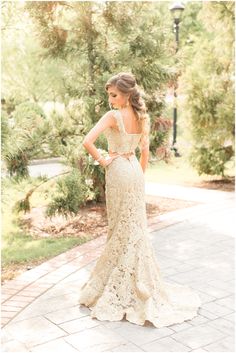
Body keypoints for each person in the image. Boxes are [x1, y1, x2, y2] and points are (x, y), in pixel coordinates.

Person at [78, 72, 201, 328]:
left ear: (126, 95)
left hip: (118, 170)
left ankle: (120, 286)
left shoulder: (113, 116)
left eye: (114, 95)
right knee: (134, 228)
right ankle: (137, 282)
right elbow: (144, 151)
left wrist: (103, 161)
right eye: (109, 95)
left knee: (120, 227)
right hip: (134, 170)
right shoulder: (142, 116)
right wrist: (139, 178)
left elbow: (87, 141)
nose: (110, 99)